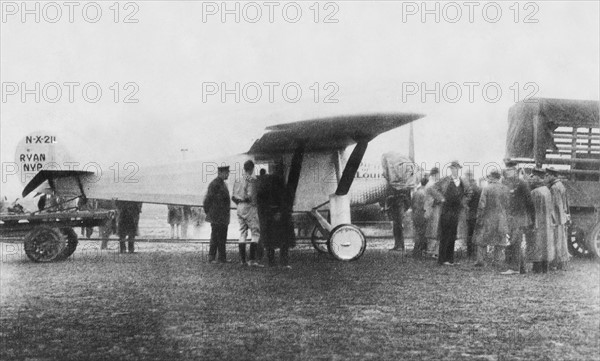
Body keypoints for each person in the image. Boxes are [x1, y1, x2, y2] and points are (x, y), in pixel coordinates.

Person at [430, 161, 472, 265]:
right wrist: (441, 198)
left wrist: (463, 201)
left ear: (459, 169)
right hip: (446, 209)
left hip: (456, 210)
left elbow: (469, 193)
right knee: (444, 234)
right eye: (452, 168)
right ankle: (441, 259)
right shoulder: (445, 180)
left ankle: (450, 259)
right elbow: (433, 189)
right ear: (450, 169)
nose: (454, 170)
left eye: (456, 168)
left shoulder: (463, 181)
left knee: (453, 234)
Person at [500, 160, 535, 274]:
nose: (508, 172)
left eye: (511, 170)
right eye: (507, 170)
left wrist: (532, 220)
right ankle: (521, 268)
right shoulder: (507, 183)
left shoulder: (521, 184)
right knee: (514, 242)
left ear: (516, 171)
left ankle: (514, 268)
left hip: (519, 218)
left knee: (515, 242)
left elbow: (529, 202)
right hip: (512, 218)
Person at [257, 164, 294, 268]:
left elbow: (260, 199)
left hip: (270, 215)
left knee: (270, 240)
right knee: (282, 239)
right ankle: (283, 262)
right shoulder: (279, 182)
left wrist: (267, 213)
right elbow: (284, 199)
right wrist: (279, 211)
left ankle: (272, 262)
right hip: (278, 214)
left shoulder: (266, 183)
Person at [473, 170, 510, 267]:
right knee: (500, 240)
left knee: (482, 240)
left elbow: (482, 205)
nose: (488, 178)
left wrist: (479, 217)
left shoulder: (486, 188)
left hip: (488, 218)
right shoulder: (505, 189)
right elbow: (508, 204)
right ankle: (497, 261)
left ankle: (481, 261)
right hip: (501, 218)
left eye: (489, 177)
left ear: (492, 177)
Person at [232, 160, 262, 267]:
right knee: (255, 232)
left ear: (244, 168)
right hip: (249, 207)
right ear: (252, 168)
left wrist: (239, 202)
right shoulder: (251, 180)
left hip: (239, 206)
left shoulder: (237, 179)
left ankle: (242, 260)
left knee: (242, 232)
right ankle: (252, 259)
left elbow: (233, 196)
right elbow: (251, 196)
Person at [529, 168, 555, 273]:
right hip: (546, 221)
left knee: (537, 242)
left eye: (533, 176)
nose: (531, 178)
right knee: (546, 243)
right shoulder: (546, 190)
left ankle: (537, 267)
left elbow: (533, 209)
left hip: (538, 222)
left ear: (538, 177)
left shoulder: (535, 192)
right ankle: (545, 266)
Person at [204, 165, 231, 263]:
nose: (228, 174)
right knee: (216, 236)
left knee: (222, 236)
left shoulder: (222, 184)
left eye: (228, 172)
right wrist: (210, 213)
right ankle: (211, 257)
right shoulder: (215, 184)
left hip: (222, 216)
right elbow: (207, 200)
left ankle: (222, 258)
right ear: (220, 173)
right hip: (217, 216)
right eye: (226, 172)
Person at [545, 167, 570, 270]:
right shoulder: (560, 185)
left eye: (548, 175)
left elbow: (554, 205)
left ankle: (556, 263)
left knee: (556, 241)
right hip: (561, 217)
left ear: (552, 176)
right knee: (561, 240)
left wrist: (552, 219)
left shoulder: (554, 187)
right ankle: (562, 262)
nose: (546, 177)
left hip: (556, 218)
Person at [424, 167, 442, 258]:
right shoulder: (432, 185)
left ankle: (430, 251)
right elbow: (438, 199)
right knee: (434, 230)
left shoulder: (429, 184)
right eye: (438, 174)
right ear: (435, 174)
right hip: (433, 210)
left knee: (432, 230)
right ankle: (433, 252)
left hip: (430, 210)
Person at [464, 169, 481, 260]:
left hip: (470, 214)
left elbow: (467, 201)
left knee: (470, 234)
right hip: (477, 214)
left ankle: (470, 252)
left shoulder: (470, 189)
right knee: (476, 233)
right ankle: (475, 252)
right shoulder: (479, 188)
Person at [411, 175, 429, 257]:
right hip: (422, 213)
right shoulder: (425, 193)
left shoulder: (416, 192)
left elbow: (412, 204)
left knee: (417, 232)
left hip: (415, 213)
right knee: (422, 233)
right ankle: (419, 251)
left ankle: (417, 250)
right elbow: (426, 205)